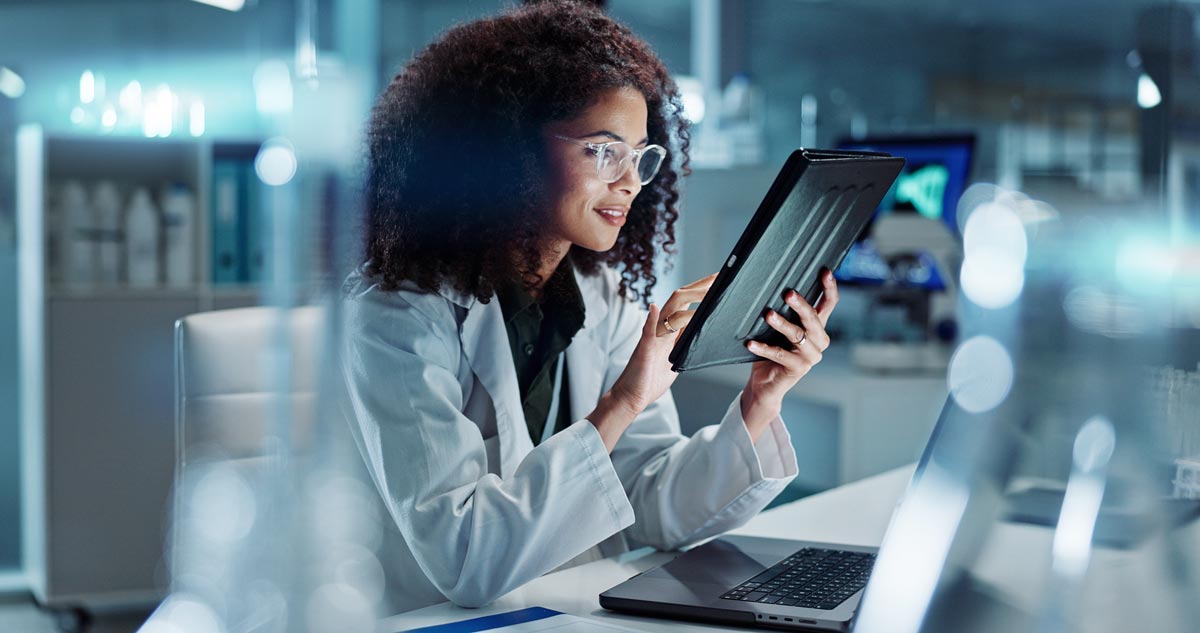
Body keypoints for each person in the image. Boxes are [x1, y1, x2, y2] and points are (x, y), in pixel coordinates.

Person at [339, 0, 839, 613]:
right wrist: (622, 404)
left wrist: (760, 400)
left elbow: (652, 503)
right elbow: (464, 557)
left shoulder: (602, 297)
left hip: (556, 610)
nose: (629, 181)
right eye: (604, 151)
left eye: (640, 156)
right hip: (426, 621)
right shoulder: (398, 318)